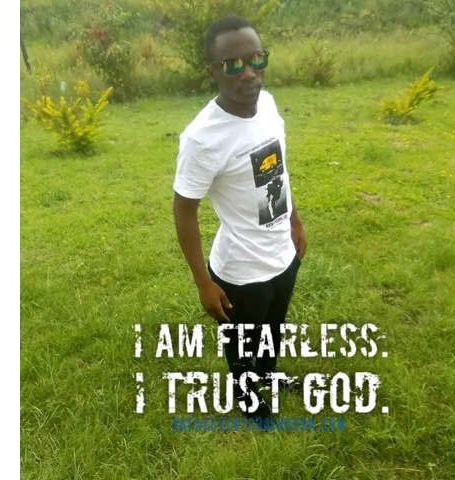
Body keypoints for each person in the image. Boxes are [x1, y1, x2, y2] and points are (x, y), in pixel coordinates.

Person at [172, 16, 307, 420]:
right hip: (240, 270)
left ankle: (266, 376)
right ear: (212, 72)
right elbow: (184, 211)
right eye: (232, 64)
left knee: (272, 330)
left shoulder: (267, 105)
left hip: (283, 255)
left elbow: (277, 171)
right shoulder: (202, 138)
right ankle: (245, 392)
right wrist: (203, 282)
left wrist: (294, 220)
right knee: (241, 340)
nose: (248, 73)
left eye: (256, 59)